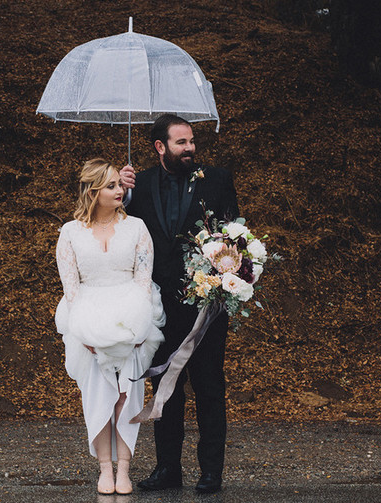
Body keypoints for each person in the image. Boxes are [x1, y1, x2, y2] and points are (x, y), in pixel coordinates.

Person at [120, 114, 239, 495]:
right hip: (159, 306)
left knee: (209, 388)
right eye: (181, 143)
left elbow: (234, 235)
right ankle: (167, 468)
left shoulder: (218, 179)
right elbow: (120, 230)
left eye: (191, 141)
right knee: (164, 388)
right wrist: (121, 192)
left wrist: (226, 281)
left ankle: (211, 472)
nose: (190, 148)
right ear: (160, 147)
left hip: (206, 307)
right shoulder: (140, 183)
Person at [55, 158, 165, 495]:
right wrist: (84, 332)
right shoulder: (70, 232)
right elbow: (70, 287)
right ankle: (105, 468)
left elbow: (144, 281)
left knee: (127, 397)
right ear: (93, 191)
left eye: (120, 183)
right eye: (112, 185)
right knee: (98, 395)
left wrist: (137, 328)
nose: (121, 190)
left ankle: (125, 470)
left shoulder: (137, 227)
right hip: (87, 316)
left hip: (130, 317)